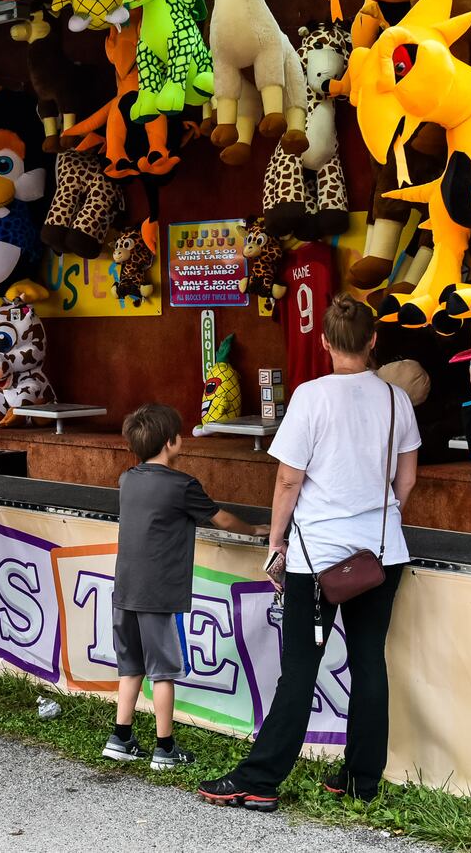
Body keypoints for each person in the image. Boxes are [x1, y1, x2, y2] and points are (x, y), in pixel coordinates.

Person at [200, 295, 420, 811]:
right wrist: (381, 513)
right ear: (372, 342)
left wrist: (276, 540)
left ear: (324, 343)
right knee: (370, 664)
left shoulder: (310, 396)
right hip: (383, 554)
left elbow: (287, 479)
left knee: (300, 666)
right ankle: (361, 780)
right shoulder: (396, 400)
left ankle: (261, 778)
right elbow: (406, 478)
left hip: (317, 557)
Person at [102, 404, 255, 770]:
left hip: (125, 590)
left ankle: (120, 737)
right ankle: (165, 748)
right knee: (163, 671)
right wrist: (257, 530)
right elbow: (222, 518)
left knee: (131, 666)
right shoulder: (182, 485)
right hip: (158, 594)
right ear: (171, 442)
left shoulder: (128, 479)